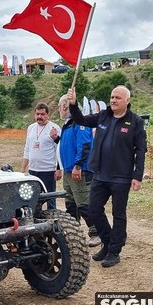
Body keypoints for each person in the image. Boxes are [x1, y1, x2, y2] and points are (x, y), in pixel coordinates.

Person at [67, 85, 147, 268]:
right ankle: (107, 242)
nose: (113, 100)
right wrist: (73, 105)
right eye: (112, 97)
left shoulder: (135, 122)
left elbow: (141, 151)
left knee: (119, 214)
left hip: (122, 177)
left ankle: (114, 251)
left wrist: (138, 175)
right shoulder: (103, 116)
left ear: (128, 100)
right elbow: (81, 120)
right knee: (94, 209)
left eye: (118, 97)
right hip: (100, 174)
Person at [50, 94, 100, 247]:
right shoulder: (67, 125)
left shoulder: (79, 123)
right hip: (68, 171)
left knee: (84, 204)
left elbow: (84, 145)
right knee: (71, 205)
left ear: (65, 106)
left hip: (79, 171)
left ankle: (96, 232)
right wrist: (57, 139)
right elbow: (68, 145)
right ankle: (75, 233)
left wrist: (78, 165)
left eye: (60, 107)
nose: (59, 109)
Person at [22, 102, 62, 210]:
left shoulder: (54, 128)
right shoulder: (31, 128)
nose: (39, 117)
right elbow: (27, 148)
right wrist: (23, 168)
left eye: (42, 114)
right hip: (33, 170)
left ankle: (52, 219)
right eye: (37, 114)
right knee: (33, 198)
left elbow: (59, 150)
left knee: (50, 198)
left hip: (48, 171)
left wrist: (58, 169)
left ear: (48, 115)